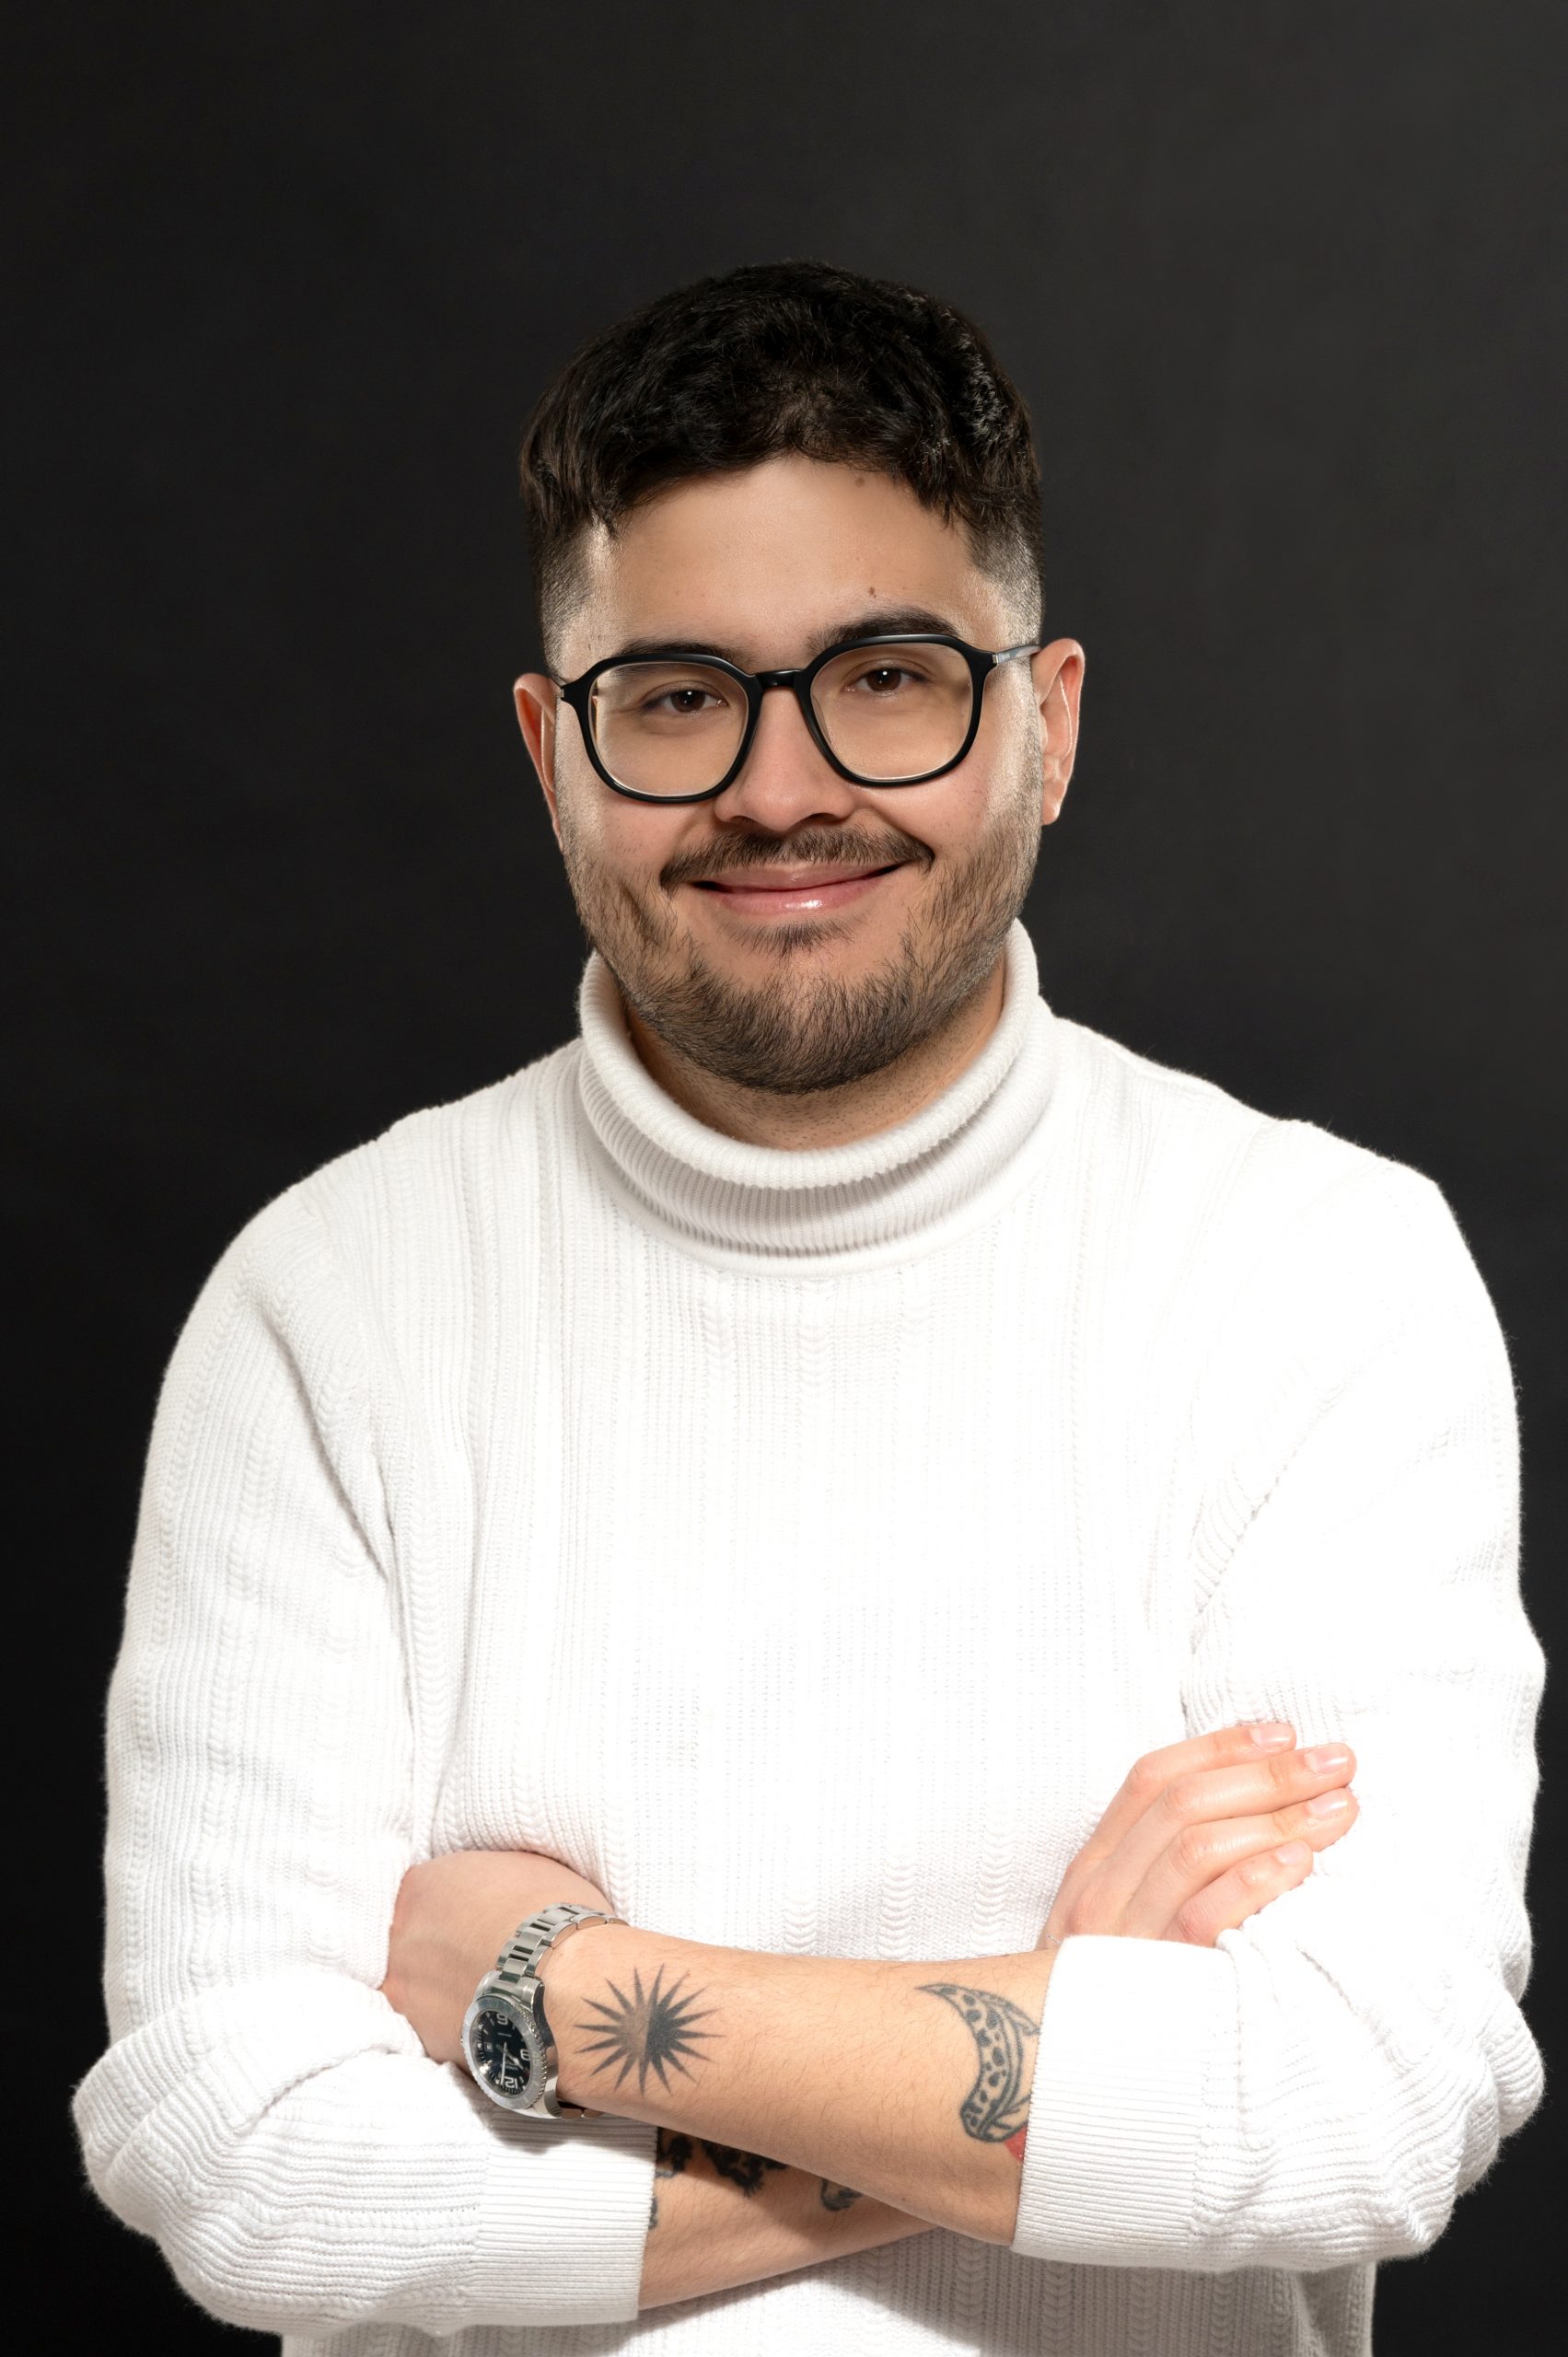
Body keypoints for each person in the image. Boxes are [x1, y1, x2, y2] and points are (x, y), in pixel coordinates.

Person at [72, 259, 1545, 2357]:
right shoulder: (325, 1308)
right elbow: (245, 2159)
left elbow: (1361, 2100)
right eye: (678, 694)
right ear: (552, 752)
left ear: (1046, 723)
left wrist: (561, 1995)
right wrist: (1071, 2032)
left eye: (887, 676)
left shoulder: (1323, 1273)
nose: (780, 788)